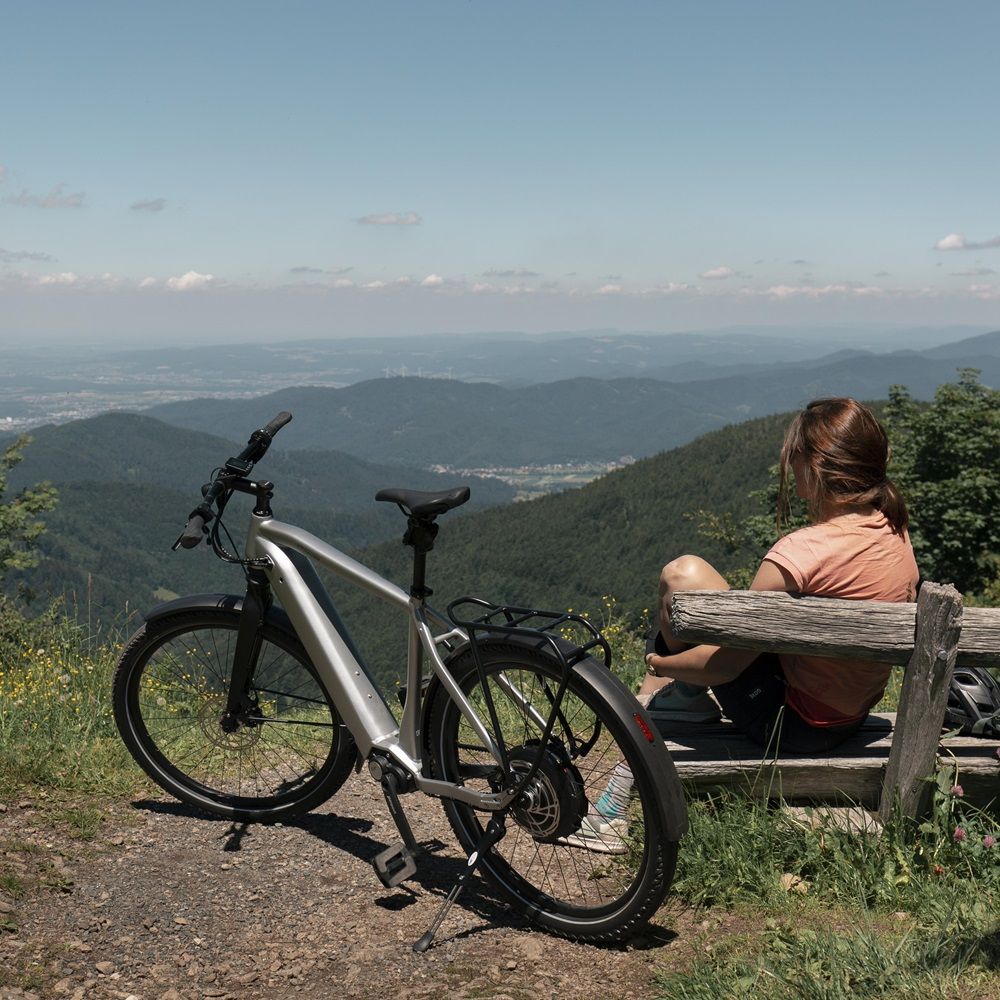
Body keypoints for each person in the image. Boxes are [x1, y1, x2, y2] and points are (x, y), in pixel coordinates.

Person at [564, 397, 919, 853]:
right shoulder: (894, 531)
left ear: (816, 466)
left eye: (795, 458)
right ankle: (678, 703)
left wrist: (659, 666)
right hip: (848, 717)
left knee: (680, 576)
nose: (790, 468)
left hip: (792, 725)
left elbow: (724, 666)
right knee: (697, 600)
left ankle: (614, 809)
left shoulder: (801, 554)